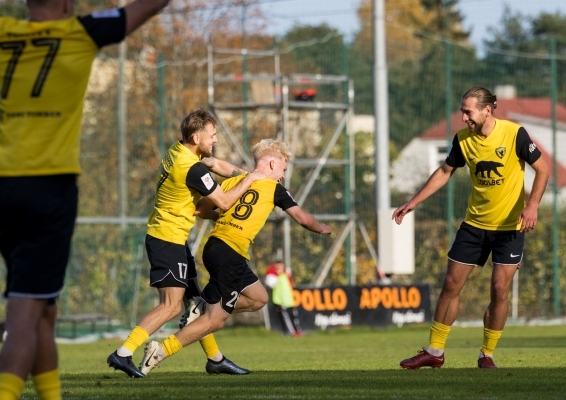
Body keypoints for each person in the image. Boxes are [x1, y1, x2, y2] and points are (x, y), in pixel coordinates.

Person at [0, 1, 172, 398]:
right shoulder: (79, 32)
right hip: (46, 187)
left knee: (43, 307)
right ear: (66, 4)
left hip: (3, 185)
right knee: (23, 314)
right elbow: (142, 9)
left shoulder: (6, 31)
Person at [139, 139, 331, 374]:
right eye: (283, 168)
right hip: (230, 252)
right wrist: (321, 227)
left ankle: (202, 308)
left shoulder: (236, 181)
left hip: (217, 248)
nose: (282, 175)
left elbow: (200, 209)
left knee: (259, 298)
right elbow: (302, 218)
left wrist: (221, 216)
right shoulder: (274, 189)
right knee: (214, 320)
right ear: (272, 164)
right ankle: (160, 351)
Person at [392, 87, 550, 369]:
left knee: (500, 289)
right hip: (474, 225)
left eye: (468, 111)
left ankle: (486, 354)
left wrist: (533, 204)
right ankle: (434, 352)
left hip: (510, 228)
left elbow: (544, 169)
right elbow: (444, 172)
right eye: (462, 111)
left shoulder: (515, 134)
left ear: (487, 110)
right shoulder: (463, 139)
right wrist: (413, 201)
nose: (463, 117)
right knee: (451, 284)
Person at [106, 109, 265, 378]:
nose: (214, 140)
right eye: (211, 136)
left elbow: (216, 169)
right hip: (166, 240)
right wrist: (251, 180)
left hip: (173, 239)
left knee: (196, 301)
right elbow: (224, 202)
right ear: (195, 137)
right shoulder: (191, 168)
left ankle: (215, 359)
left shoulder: (181, 151)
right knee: (171, 306)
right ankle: (123, 353)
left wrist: (249, 173)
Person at [265, 260, 303, 337]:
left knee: (293, 317)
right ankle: (292, 333)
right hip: (280, 301)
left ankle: (297, 331)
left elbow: (291, 284)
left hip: (289, 301)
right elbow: (270, 283)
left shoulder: (286, 275)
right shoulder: (274, 278)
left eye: (280, 267)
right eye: (277, 268)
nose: (279, 269)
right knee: (286, 318)